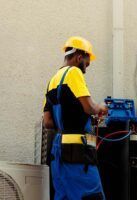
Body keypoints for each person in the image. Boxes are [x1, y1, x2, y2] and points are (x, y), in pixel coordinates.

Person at [43, 36, 107, 200]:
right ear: (79, 57)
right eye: (86, 62)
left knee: (64, 196)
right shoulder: (74, 72)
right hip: (78, 151)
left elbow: (48, 122)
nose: (86, 67)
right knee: (91, 195)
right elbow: (90, 107)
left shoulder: (52, 80)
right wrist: (102, 107)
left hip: (58, 150)